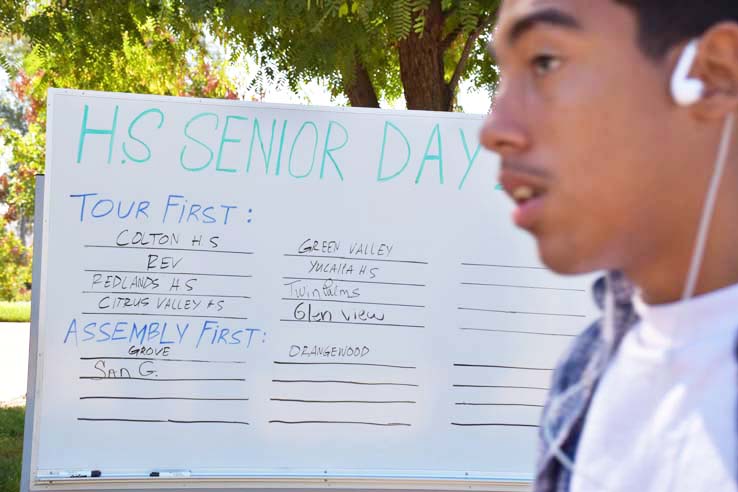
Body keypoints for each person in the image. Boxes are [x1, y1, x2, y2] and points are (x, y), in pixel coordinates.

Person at [480, 1, 738, 491]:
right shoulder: (581, 373)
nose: (494, 131)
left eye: (545, 63)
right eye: (501, 75)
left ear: (713, 74)